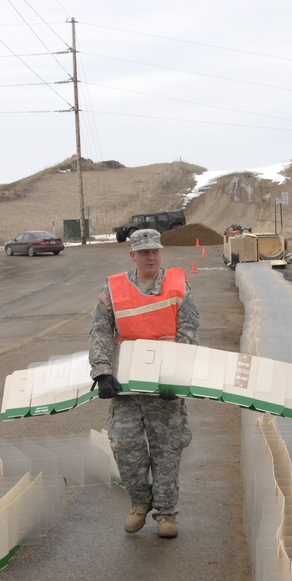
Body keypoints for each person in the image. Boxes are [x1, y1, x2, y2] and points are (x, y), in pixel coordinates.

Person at [89, 228, 201, 538]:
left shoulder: (179, 286)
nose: (151, 256)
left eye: (155, 251)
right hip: (126, 389)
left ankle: (166, 514)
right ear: (133, 255)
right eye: (144, 252)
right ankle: (140, 503)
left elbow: (189, 331)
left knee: (167, 450)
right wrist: (101, 371)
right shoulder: (113, 290)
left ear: (160, 253)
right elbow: (99, 330)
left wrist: (174, 376)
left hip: (165, 389)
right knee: (125, 446)